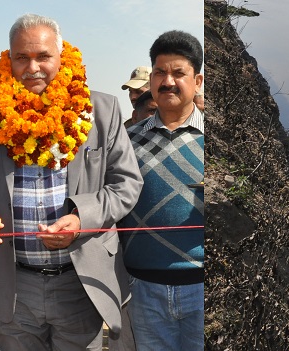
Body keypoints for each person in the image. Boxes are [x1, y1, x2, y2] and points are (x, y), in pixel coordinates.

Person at [0, 13, 142, 350]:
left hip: (81, 283)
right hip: (13, 285)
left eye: (43, 56)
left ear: (62, 55)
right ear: (9, 60)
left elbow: (127, 184)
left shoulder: (101, 109)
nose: (32, 67)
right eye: (22, 57)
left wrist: (82, 218)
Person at [120, 30, 205, 351]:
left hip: (202, 289)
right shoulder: (126, 142)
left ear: (197, 81)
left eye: (178, 73)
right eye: (160, 72)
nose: (168, 81)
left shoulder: (220, 142)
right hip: (143, 289)